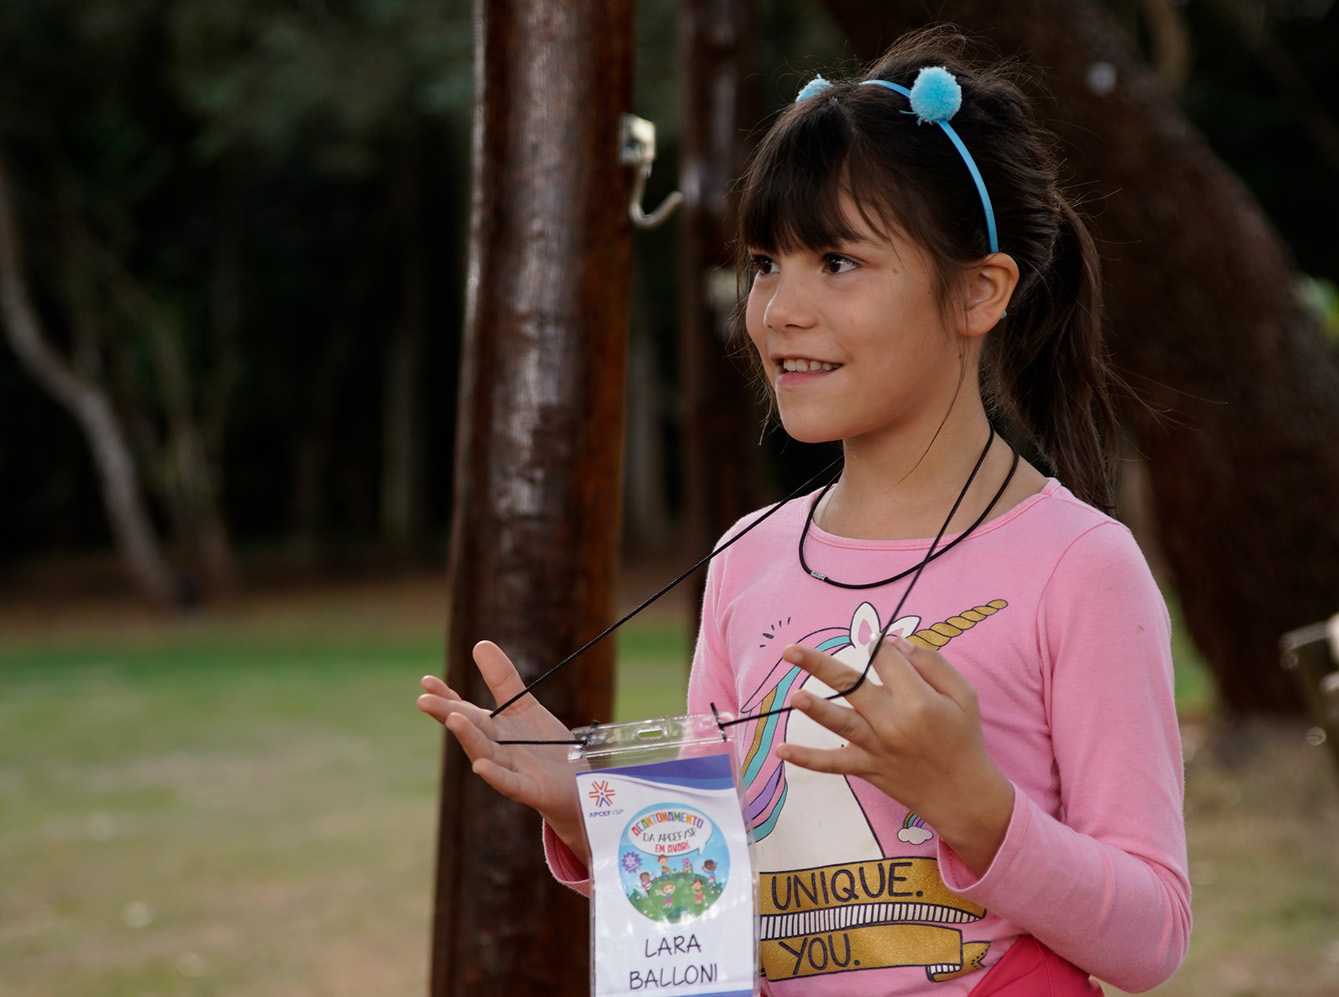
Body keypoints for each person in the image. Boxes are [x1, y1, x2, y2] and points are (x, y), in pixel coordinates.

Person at [417, 25, 1189, 996]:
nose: (777, 308)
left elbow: (1152, 934)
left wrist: (975, 806)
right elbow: (717, 902)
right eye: (764, 261)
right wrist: (593, 811)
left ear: (978, 292)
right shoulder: (746, 558)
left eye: (836, 260)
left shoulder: (1078, 566)